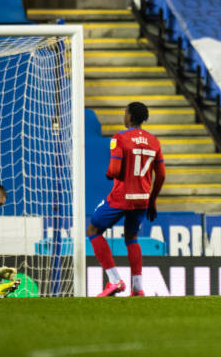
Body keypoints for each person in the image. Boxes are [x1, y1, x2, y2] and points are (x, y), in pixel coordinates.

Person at [87, 101, 166, 297]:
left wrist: (108, 173)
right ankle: (137, 288)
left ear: (129, 116)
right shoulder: (154, 141)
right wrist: (152, 201)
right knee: (131, 237)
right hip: (142, 198)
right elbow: (162, 175)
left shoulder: (119, 138)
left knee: (93, 230)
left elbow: (114, 170)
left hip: (122, 196)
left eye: (125, 113)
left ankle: (115, 281)